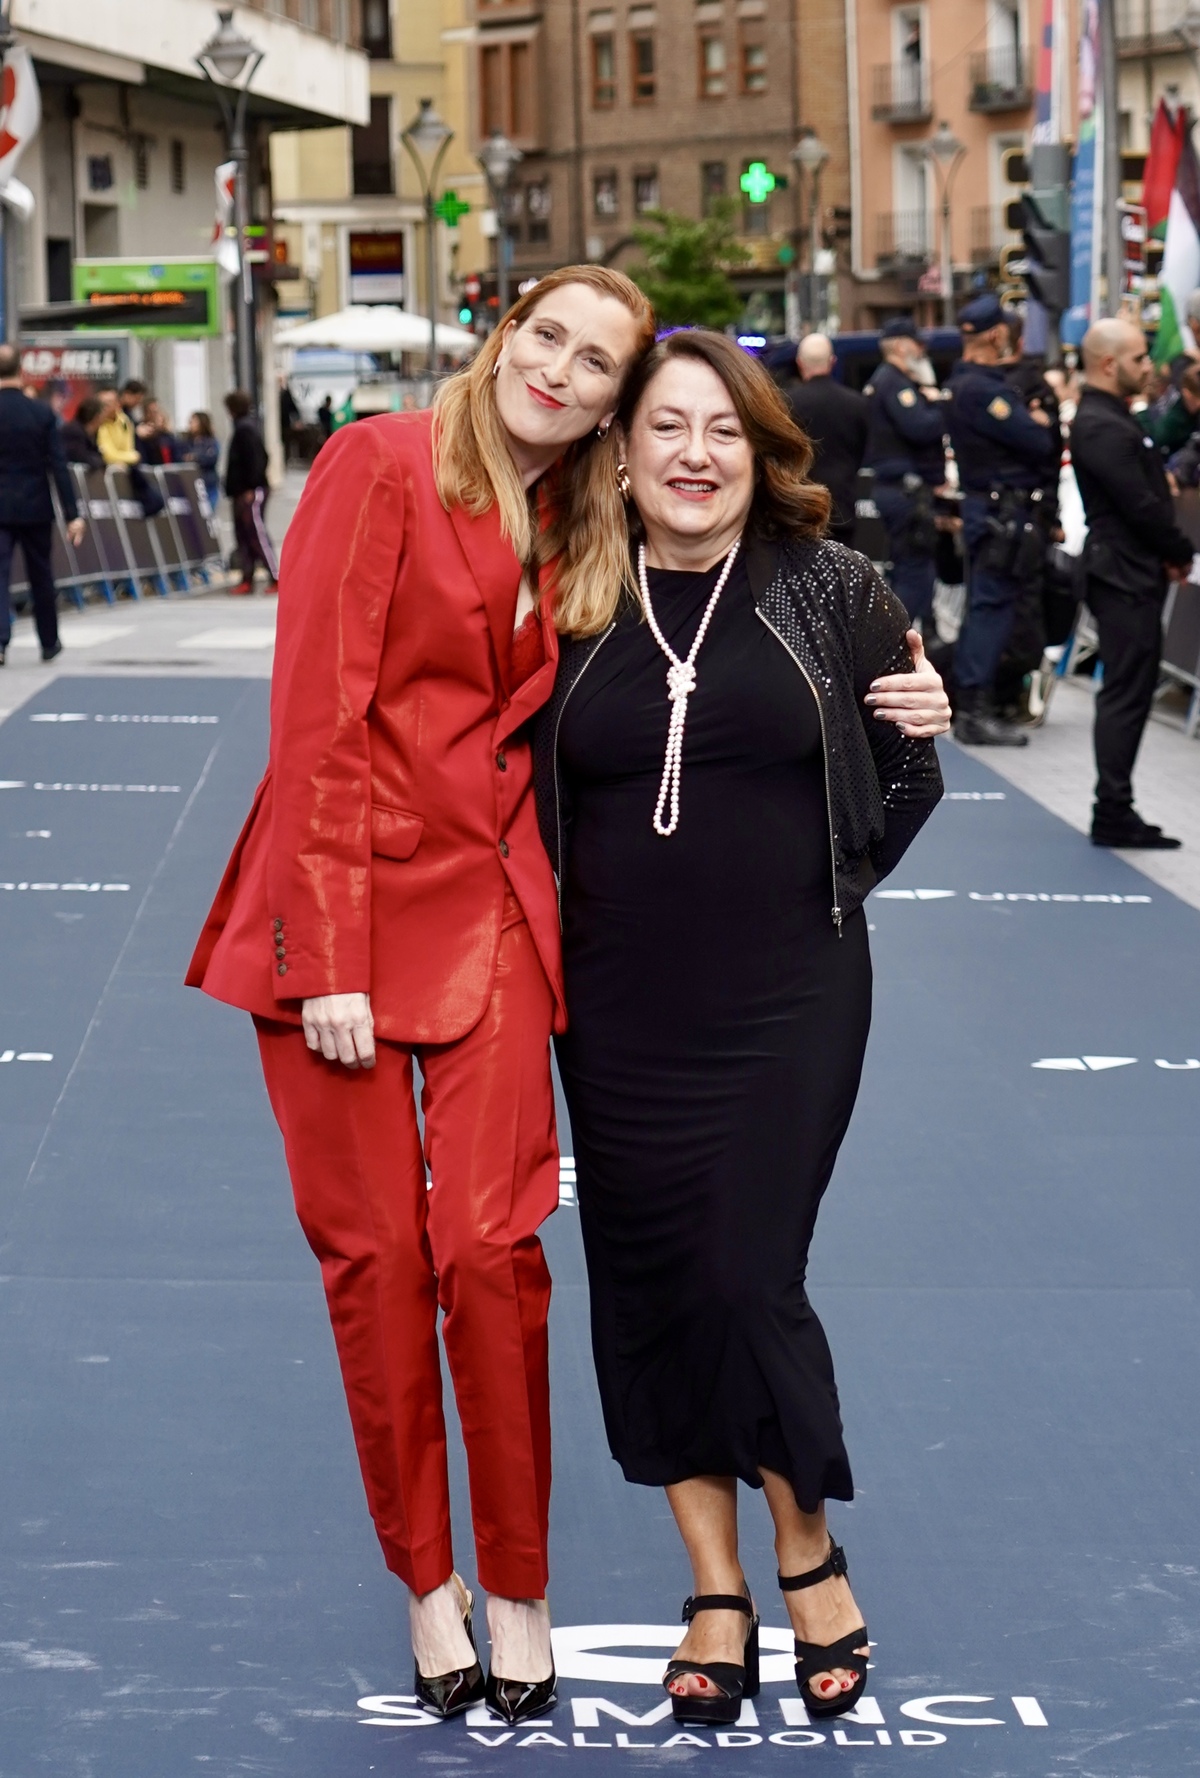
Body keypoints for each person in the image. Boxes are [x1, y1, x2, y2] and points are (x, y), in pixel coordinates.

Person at [186, 270, 951, 1729]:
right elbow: (321, 715)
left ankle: (653, 1572)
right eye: (557, 340)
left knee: (565, 1261)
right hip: (445, 951)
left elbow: (892, 750)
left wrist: (885, 788)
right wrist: (328, 948)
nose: (571, 374)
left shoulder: (693, 551)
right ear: (513, 344)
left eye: (602, 362)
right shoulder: (452, 494)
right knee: (440, 1268)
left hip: (613, 955)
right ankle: (485, 1585)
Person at [537, 329, 946, 1730]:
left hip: (789, 992)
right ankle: (712, 1582)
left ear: (759, 450)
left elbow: (909, 773)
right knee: (651, 1279)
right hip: (613, 1001)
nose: (695, 454)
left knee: (745, 1267)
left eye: (722, 429)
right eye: (667, 428)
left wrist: (819, 894)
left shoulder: (831, 586)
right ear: (623, 449)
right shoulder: (567, 592)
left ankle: (805, 1549)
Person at [1071, 319, 1192, 848]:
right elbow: (1139, 504)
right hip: (1122, 574)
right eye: (1140, 358)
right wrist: (1178, 549)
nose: (1149, 367)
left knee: (1132, 691)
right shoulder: (1101, 424)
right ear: (1107, 363)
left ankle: (1116, 805)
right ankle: (1112, 809)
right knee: (1126, 693)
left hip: (1132, 569)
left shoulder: (1116, 418)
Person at [945, 293, 1058, 745]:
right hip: (1000, 513)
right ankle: (974, 712)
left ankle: (972, 705)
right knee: (991, 609)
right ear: (995, 334)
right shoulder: (984, 390)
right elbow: (1037, 442)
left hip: (988, 510)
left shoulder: (963, 382)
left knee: (984, 607)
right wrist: (1037, 420)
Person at [0, 343, 86, 666]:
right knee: (41, 574)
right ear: (21, 371)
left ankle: (0, 642)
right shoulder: (42, 413)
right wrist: (72, 515)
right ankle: (48, 641)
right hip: (36, 505)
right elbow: (58, 466)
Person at [863, 317, 947, 629]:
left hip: (899, 488)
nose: (922, 351)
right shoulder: (894, 382)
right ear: (901, 346)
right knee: (915, 572)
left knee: (908, 568)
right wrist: (940, 406)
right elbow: (920, 427)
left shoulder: (887, 380)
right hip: (904, 491)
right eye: (916, 344)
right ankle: (896, 642)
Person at [785, 334, 869, 547]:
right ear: (832, 362)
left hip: (799, 507)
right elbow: (863, 450)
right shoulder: (856, 404)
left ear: (800, 363)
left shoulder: (786, 405)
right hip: (842, 504)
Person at [223, 391, 279, 596]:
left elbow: (257, 459)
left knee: (256, 534)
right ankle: (247, 578)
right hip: (242, 490)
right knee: (244, 535)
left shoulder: (245, 429)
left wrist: (251, 486)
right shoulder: (244, 427)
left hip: (249, 491)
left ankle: (275, 575)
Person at [181, 411, 221, 512]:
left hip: (208, 483)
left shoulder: (210, 442)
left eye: (194, 421)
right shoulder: (186, 442)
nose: (191, 424)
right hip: (191, 484)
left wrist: (195, 457)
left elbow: (211, 458)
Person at [61, 396, 106, 470]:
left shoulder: (93, 434)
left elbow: (98, 455)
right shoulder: (73, 431)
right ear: (96, 417)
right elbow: (80, 457)